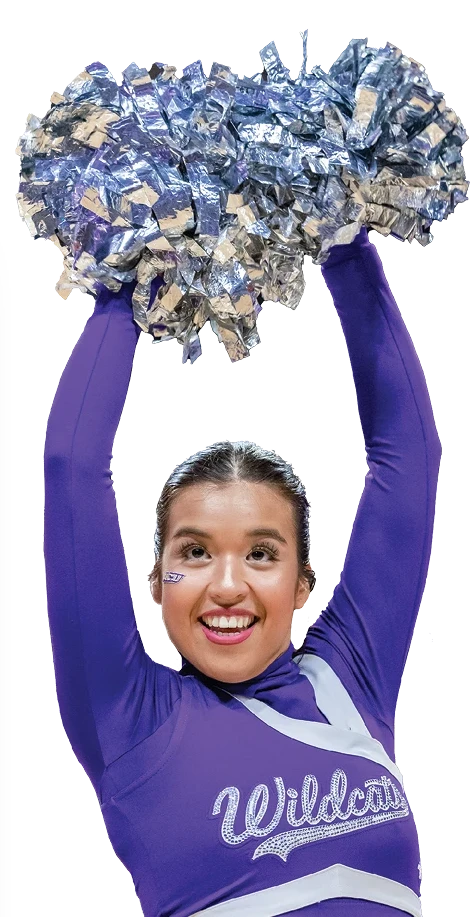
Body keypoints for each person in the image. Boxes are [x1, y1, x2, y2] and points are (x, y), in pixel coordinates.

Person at [42, 225, 441, 917]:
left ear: (302, 584)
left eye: (261, 553)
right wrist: (132, 256)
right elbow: (70, 468)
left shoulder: (348, 678)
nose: (227, 586)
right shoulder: (130, 720)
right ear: (154, 582)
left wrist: (338, 230)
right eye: (194, 552)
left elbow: (408, 456)